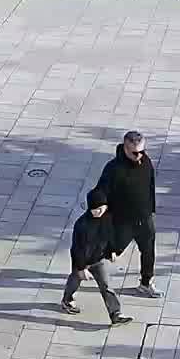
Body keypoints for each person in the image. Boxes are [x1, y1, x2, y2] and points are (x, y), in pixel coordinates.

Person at [94, 131, 159, 298]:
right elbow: (101, 190)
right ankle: (83, 267)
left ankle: (146, 283)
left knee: (148, 251)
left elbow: (150, 186)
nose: (139, 156)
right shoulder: (114, 168)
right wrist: (99, 204)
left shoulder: (146, 162)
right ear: (125, 148)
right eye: (135, 152)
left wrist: (151, 210)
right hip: (123, 221)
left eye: (142, 151)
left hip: (144, 219)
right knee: (111, 250)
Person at [61, 188, 133, 324]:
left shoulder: (107, 217)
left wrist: (112, 250)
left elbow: (110, 235)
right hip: (82, 261)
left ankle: (115, 313)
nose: (98, 211)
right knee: (75, 281)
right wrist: (82, 268)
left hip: (98, 259)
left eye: (101, 208)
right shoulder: (82, 225)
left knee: (106, 286)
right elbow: (77, 249)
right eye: (95, 209)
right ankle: (67, 300)